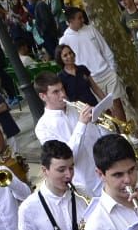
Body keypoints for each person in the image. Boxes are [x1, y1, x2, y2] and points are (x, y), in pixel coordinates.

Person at [33, 72, 106, 201]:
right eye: (56, 92)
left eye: (62, 89)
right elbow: (66, 157)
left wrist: (102, 122)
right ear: (43, 96)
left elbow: (98, 138)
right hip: (84, 184)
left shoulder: (77, 108)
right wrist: (81, 124)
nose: (63, 95)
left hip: (104, 171)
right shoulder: (43, 127)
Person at [57, 7, 122, 111]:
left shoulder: (91, 29)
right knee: (104, 110)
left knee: (117, 104)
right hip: (91, 78)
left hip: (107, 73)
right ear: (70, 21)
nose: (83, 20)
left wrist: (112, 68)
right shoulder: (64, 39)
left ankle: (124, 127)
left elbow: (105, 48)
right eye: (79, 18)